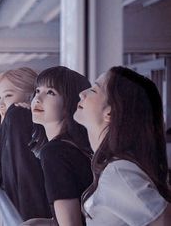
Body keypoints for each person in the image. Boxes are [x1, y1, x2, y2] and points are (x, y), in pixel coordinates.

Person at [73, 66, 171, 225]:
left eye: (93, 90)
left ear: (110, 113)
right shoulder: (117, 168)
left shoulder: (118, 172)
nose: (82, 93)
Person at [29, 66, 93, 226]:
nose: (37, 99)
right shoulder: (73, 147)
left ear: (70, 104)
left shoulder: (55, 152)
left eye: (50, 92)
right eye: (37, 91)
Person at [0, 68, 51, 220]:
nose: (1, 104)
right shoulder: (45, 127)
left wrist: (8, 117)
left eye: (8, 95)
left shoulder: (18, 116)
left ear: (31, 94)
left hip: (28, 217)